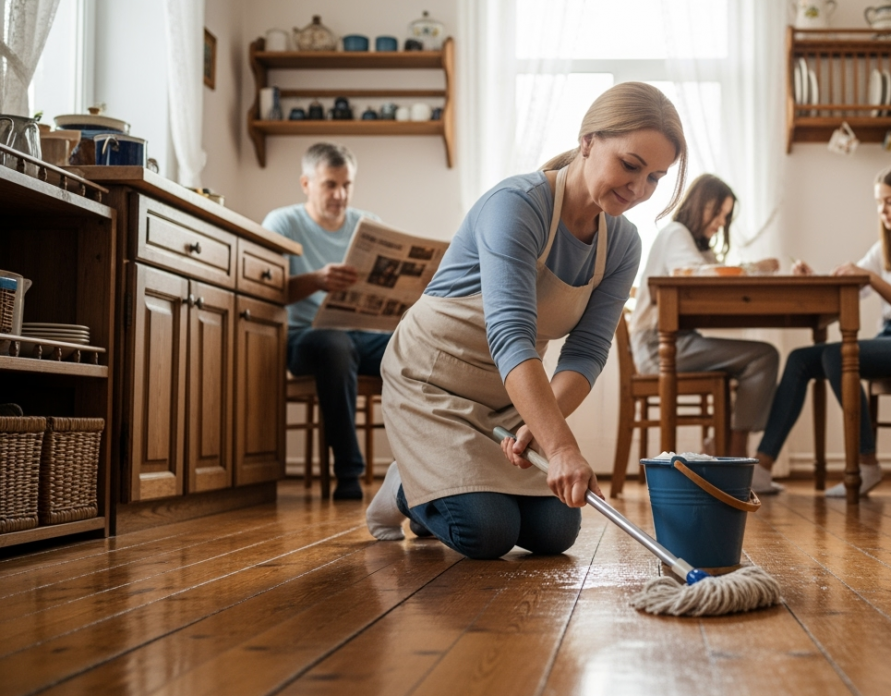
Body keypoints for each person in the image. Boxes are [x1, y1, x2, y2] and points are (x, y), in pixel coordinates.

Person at [365, 82, 686, 557]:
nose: (638, 190)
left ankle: (441, 483)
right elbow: (511, 333)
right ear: (588, 141)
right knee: (486, 532)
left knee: (554, 532)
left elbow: (587, 351)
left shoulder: (622, 244)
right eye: (630, 166)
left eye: (655, 178)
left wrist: (543, 424)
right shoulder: (516, 205)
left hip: (510, 397)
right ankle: (406, 487)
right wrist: (560, 449)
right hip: (431, 383)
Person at [755, 163, 891, 497]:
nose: (883, 210)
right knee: (799, 359)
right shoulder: (886, 250)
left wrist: (873, 278)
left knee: (839, 356)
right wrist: (815, 277)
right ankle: (762, 469)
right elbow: (852, 285)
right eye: (879, 202)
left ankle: (867, 466)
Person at [628, 174, 782, 491]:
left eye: (726, 217)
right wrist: (756, 269)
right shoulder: (676, 233)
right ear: (703, 205)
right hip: (660, 346)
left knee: (757, 357)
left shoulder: (691, 243)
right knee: (763, 356)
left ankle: (725, 443)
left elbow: (710, 275)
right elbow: (699, 276)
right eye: (719, 214)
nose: (720, 223)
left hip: (674, 342)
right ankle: (733, 450)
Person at [264, 142, 387, 501]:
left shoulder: (368, 224)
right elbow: (264, 289)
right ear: (306, 184)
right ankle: (348, 474)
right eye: (330, 185)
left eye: (347, 185)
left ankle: (422, 475)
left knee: (412, 346)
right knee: (335, 345)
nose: (340, 194)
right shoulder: (282, 222)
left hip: (361, 336)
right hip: (306, 340)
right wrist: (316, 280)